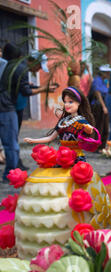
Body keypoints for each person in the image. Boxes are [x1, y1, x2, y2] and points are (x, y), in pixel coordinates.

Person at [0, 47, 56, 182]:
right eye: (39, 67)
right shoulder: (22, 69)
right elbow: (25, 91)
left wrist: (38, 87)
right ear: (33, 61)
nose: (38, 70)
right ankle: (10, 174)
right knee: (11, 144)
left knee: (10, 142)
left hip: (5, 105)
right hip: (6, 107)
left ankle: (12, 170)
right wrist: (45, 89)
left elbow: (21, 86)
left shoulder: (16, 65)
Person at [24, 87, 95, 163]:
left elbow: (89, 131)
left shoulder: (81, 121)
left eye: (70, 102)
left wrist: (88, 129)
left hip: (76, 156)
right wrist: (34, 140)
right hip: (62, 155)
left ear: (79, 103)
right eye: (65, 102)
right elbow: (51, 137)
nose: (67, 105)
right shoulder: (63, 122)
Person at [90, 64, 111, 150]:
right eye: (107, 73)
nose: (109, 74)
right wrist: (103, 107)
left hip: (104, 105)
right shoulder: (97, 80)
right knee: (99, 126)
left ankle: (102, 146)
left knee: (105, 127)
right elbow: (97, 93)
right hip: (98, 106)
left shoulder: (104, 81)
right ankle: (96, 146)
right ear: (103, 73)